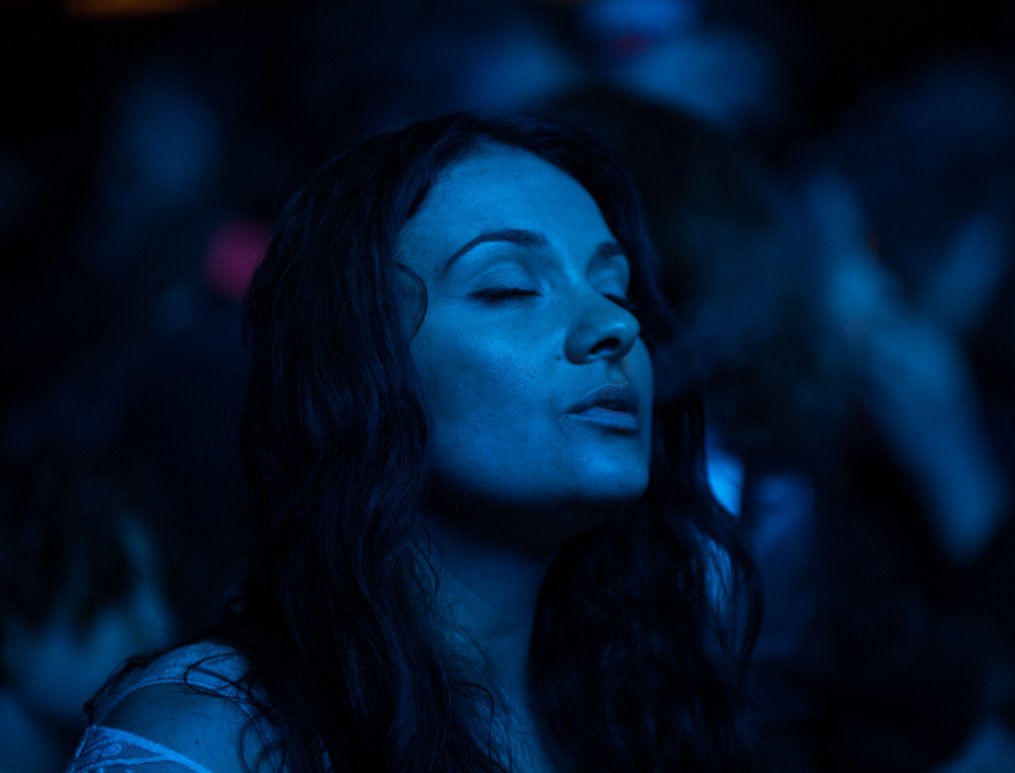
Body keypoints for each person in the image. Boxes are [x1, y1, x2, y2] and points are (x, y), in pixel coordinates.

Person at [67, 112, 762, 772]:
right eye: (510, 288)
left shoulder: (652, 709)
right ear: (362, 361)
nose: (616, 327)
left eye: (617, 290)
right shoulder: (214, 734)